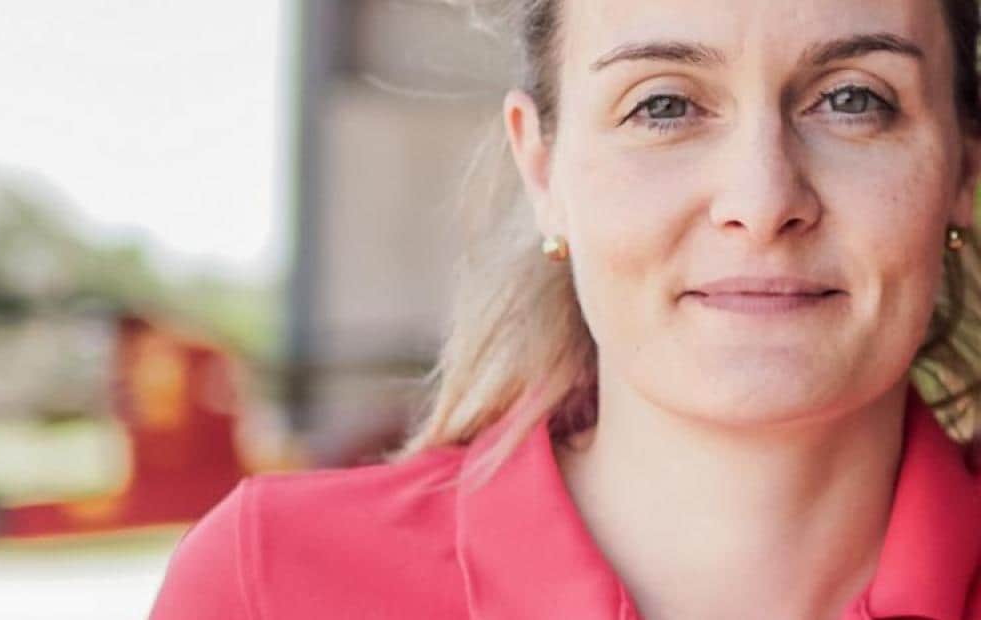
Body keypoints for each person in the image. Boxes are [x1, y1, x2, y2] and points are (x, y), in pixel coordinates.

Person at [149, 0, 981, 618]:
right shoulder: (272, 585)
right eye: (664, 104)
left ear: (963, 173)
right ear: (542, 169)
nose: (763, 200)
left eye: (853, 100)